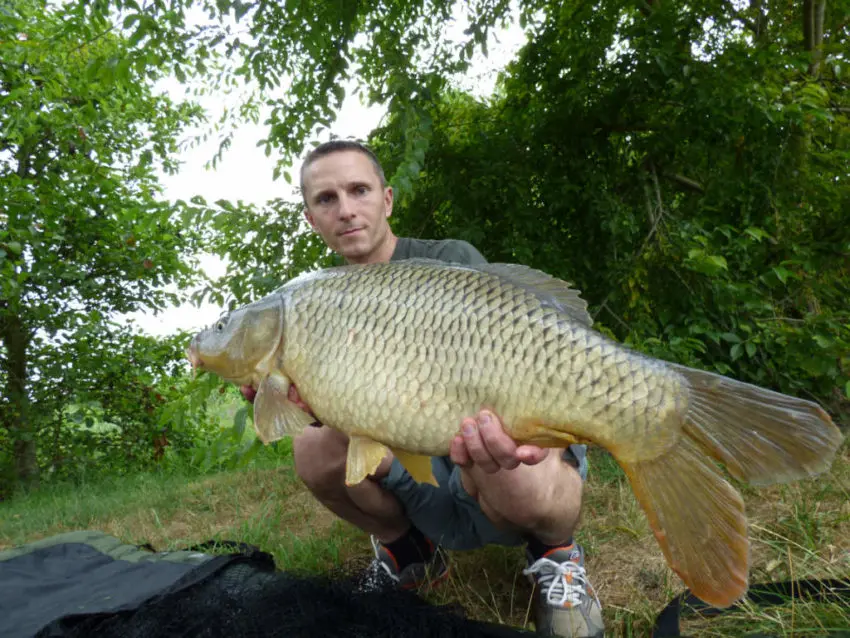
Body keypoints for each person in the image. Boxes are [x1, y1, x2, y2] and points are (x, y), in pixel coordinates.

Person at [241, 140, 604, 638]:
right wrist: (319, 407)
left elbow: (520, 367)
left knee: (507, 453)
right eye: (326, 199)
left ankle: (554, 551)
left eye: (359, 190)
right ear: (311, 218)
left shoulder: (449, 261)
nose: (346, 209)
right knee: (311, 449)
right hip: (413, 458)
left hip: (484, 443)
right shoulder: (315, 303)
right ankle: (410, 552)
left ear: (386, 199)